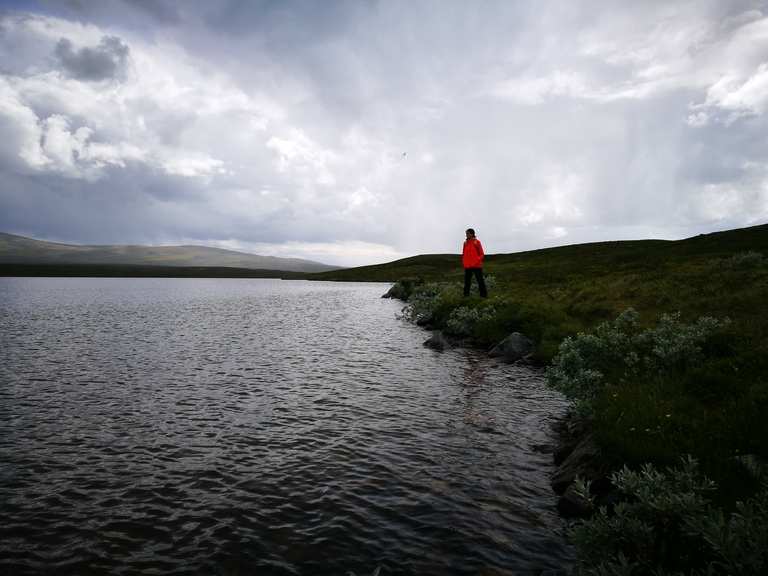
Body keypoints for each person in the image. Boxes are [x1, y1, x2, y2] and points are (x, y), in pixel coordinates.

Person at [462, 228, 487, 297]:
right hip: (468, 266)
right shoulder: (465, 243)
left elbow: (482, 254)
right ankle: (466, 296)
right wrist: (464, 262)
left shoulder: (477, 242)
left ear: (472, 234)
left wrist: (476, 261)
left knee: (480, 281)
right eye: (466, 233)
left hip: (477, 266)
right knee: (467, 282)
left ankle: (483, 296)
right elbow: (463, 254)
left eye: (467, 233)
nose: (466, 235)